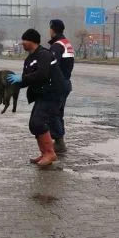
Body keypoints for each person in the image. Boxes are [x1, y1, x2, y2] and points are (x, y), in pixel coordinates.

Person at [7, 29, 65, 167]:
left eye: (24, 40)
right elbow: (26, 79)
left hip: (53, 93)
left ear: (32, 41)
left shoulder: (44, 54)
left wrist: (22, 78)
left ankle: (50, 153)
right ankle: (45, 153)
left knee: (38, 122)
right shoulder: (29, 59)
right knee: (34, 125)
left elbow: (42, 75)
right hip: (42, 94)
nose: (22, 43)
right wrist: (12, 83)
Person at [47, 19, 74, 153]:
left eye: (50, 28)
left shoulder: (57, 46)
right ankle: (59, 141)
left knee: (53, 113)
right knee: (58, 112)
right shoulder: (66, 43)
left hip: (58, 84)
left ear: (53, 30)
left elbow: (52, 66)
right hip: (65, 82)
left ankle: (59, 142)